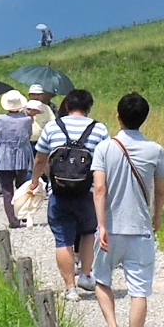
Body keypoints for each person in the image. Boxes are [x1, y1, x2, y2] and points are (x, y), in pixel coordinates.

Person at [91, 92, 164, 327]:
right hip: (140, 229)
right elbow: (159, 190)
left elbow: (99, 188)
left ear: (118, 116)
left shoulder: (104, 148)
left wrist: (100, 225)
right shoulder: (155, 150)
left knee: (101, 280)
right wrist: (156, 216)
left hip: (110, 228)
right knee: (139, 290)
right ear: (143, 118)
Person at [32, 89, 107, 304]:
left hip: (59, 191)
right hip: (88, 193)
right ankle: (85, 275)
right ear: (88, 107)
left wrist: (35, 180)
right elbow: (105, 162)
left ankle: (70, 288)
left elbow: (40, 159)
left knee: (62, 239)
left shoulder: (52, 127)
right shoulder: (99, 129)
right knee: (87, 233)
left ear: (66, 106)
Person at [0, 90, 37, 229]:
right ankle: (22, 214)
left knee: (7, 190)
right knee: (22, 187)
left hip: (3, 154)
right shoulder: (27, 120)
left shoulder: (0, 118)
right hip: (21, 154)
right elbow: (29, 134)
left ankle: (13, 220)